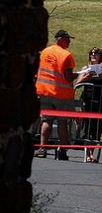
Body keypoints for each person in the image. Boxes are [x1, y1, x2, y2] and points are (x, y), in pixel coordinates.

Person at [35, 29, 77, 160]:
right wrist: (80, 74)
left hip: (44, 91)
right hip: (61, 94)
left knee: (46, 120)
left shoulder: (44, 52)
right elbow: (68, 77)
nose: (69, 42)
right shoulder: (66, 55)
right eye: (67, 40)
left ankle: (42, 148)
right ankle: (62, 151)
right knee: (62, 122)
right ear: (60, 39)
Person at [75, 47, 102, 163]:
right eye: (92, 53)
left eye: (96, 53)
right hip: (87, 101)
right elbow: (78, 83)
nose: (94, 55)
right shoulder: (86, 68)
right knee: (87, 126)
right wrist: (86, 77)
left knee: (97, 128)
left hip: (100, 101)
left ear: (101, 56)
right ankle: (88, 153)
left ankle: (92, 151)